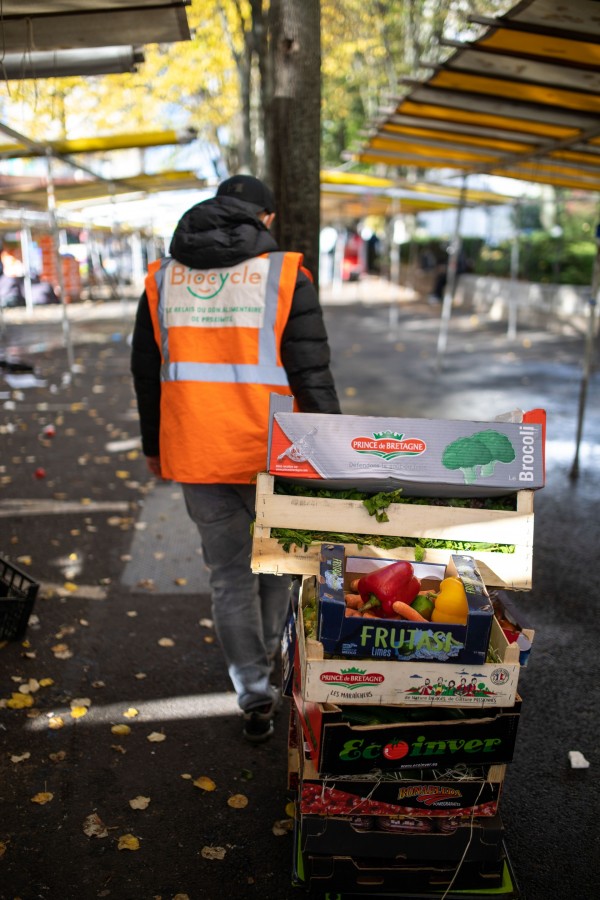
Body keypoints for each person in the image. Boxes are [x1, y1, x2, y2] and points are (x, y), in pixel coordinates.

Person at [130, 174, 341, 742]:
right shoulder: (283, 273)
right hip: (274, 451)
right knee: (278, 565)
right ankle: (270, 661)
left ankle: (252, 691)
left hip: (197, 450)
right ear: (265, 219)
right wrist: (335, 454)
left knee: (227, 577)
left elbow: (146, 376)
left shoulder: (161, 278)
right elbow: (311, 373)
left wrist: (155, 447)